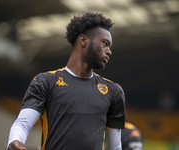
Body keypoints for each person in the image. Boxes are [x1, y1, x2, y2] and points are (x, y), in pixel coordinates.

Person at [7, 12, 125, 150]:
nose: (109, 51)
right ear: (83, 40)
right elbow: (23, 123)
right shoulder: (46, 82)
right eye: (105, 44)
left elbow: (116, 147)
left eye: (109, 47)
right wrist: (15, 140)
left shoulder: (114, 91)